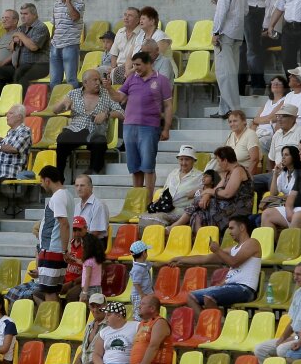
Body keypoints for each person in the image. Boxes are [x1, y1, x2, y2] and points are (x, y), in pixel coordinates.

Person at [107, 50, 173, 206]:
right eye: (134, 64)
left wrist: (166, 128)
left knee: (148, 165)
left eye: (138, 64)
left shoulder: (161, 80)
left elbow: (168, 105)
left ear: (148, 63)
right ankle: (137, 201)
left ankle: (149, 201)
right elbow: (119, 98)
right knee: (134, 166)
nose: (135, 68)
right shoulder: (131, 79)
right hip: (129, 126)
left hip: (149, 126)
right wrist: (109, 88)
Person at [181, 216, 261, 317]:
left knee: (208, 297)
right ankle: (206, 325)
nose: (229, 232)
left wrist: (218, 250)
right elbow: (204, 259)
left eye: (232, 228)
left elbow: (234, 262)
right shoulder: (232, 249)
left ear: (242, 228)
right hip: (230, 287)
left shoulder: (253, 242)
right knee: (190, 297)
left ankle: (223, 324)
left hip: (245, 289)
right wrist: (178, 259)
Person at [51, 68, 123, 177]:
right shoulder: (73, 94)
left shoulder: (107, 94)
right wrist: (63, 103)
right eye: (95, 80)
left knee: (100, 142)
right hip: (76, 130)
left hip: (96, 131)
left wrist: (106, 114)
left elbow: (122, 113)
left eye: (99, 80)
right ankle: (58, 175)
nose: (98, 83)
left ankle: (93, 172)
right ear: (85, 82)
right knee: (62, 139)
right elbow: (55, 111)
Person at [172, 146, 252, 234]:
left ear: (225, 160)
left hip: (237, 208)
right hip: (226, 206)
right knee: (197, 215)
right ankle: (202, 241)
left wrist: (208, 192)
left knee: (200, 200)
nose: (218, 164)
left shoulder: (238, 171)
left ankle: (175, 226)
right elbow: (216, 189)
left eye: (218, 161)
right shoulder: (228, 173)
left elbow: (227, 194)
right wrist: (207, 195)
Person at [252, 262, 301, 362]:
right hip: (296, 336)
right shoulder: (298, 293)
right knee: (259, 349)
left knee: (281, 349)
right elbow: (293, 322)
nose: (295, 278)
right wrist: (283, 338)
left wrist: (295, 338)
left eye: (299, 275)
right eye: (294, 274)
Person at [44, 293, 106, 364]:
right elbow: (83, 350)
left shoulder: (109, 326)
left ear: (105, 306)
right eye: (92, 306)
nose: (95, 309)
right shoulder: (89, 325)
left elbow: (103, 355)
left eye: (99, 306)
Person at [212, 0, 247, 116]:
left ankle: (234, 109)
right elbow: (245, 9)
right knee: (231, 70)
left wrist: (215, 31)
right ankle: (224, 109)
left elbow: (222, 9)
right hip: (238, 31)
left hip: (225, 32)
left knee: (224, 72)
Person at [138, 146, 203, 230]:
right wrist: (158, 200)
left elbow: (201, 195)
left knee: (156, 218)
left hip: (181, 210)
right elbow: (165, 190)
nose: (183, 163)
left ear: (194, 161)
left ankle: (157, 241)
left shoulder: (200, 176)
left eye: (187, 159)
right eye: (181, 159)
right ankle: (146, 242)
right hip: (165, 207)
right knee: (144, 216)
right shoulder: (173, 173)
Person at [50, 0, 84, 87]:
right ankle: (56, 102)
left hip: (70, 44)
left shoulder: (79, 2)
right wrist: (51, 40)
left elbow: (74, 17)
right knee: (54, 80)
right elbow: (55, 25)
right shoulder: (56, 4)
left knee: (71, 79)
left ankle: (74, 103)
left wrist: (68, 1)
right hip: (55, 45)